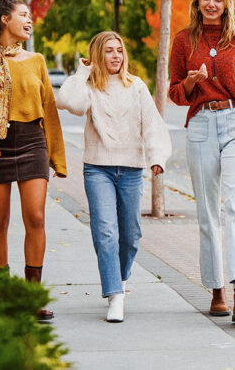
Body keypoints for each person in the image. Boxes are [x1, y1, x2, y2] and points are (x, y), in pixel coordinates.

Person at [168, 0, 235, 322]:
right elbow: (175, 93)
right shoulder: (183, 40)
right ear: (197, 3)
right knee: (208, 213)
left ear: (227, 4)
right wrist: (191, 83)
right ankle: (217, 292)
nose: (211, 4)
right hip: (201, 125)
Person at [0, 0, 67, 321]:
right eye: (22, 15)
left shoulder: (36, 61)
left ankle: (31, 295)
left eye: (29, 15)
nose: (28, 20)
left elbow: (49, 110)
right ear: (5, 20)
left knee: (35, 217)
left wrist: (57, 157)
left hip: (32, 141)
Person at [55, 31, 171, 323]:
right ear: (98, 55)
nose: (116, 56)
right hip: (98, 168)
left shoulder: (136, 87)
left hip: (131, 169)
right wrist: (82, 72)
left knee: (131, 236)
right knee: (106, 233)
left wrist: (157, 157)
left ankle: (116, 278)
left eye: (119, 50)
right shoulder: (89, 87)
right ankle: (115, 294)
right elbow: (69, 102)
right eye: (108, 51)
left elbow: (153, 125)